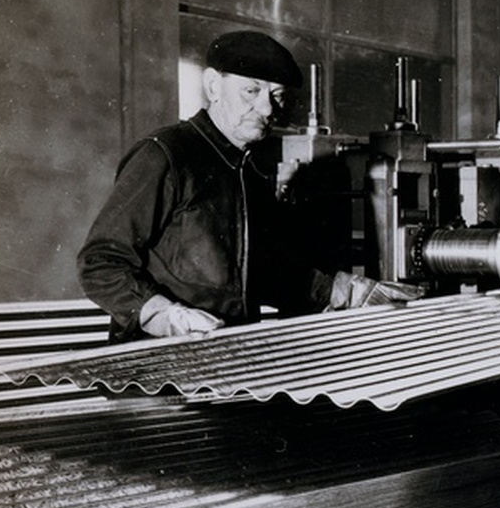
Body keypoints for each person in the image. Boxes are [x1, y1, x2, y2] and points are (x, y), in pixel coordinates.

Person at [78, 29, 419, 342]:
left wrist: (344, 290)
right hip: (158, 366)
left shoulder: (249, 170)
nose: (267, 108)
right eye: (252, 91)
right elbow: (100, 261)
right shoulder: (165, 155)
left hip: (227, 358)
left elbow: (266, 268)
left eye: (277, 95)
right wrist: (162, 314)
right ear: (213, 86)